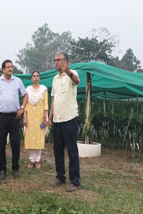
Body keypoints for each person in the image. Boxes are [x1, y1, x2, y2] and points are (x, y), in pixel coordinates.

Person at [0, 59, 28, 180]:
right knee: (1, 144)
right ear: (3, 69)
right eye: (8, 67)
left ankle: (15, 168)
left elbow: (25, 95)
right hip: (1, 117)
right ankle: (2, 169)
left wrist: (22, 108)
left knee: (15, 143)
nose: (10, 69)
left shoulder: (18, 81)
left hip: (15, 117)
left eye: (12, 67)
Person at [49, 51, 80, 192]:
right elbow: (53, 99)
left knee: (72, 151)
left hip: (70, 119)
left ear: (65, 61)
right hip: (57, 119)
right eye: (55, 60)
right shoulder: (55, 78)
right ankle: (60, 177)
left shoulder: (72, 73)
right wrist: (50, 117)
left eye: (58, 60)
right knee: (58, 150)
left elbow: (77, 81)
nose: (56, 62)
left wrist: (68, 71)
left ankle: (75, 181)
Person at [23, 71, 48, 169]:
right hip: (30, 117)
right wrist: (24, 117)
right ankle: (31, 160)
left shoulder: (43, 90)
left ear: (39, 78)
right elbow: (25, 105)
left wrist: (44, 118)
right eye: (34, 76)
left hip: (40, 118)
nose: (36, 78)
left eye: (37, 76)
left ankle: (37, 160)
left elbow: (46, 105)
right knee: (30, 138)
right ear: (31, 79)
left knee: (39, 138)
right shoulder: (28, 90)